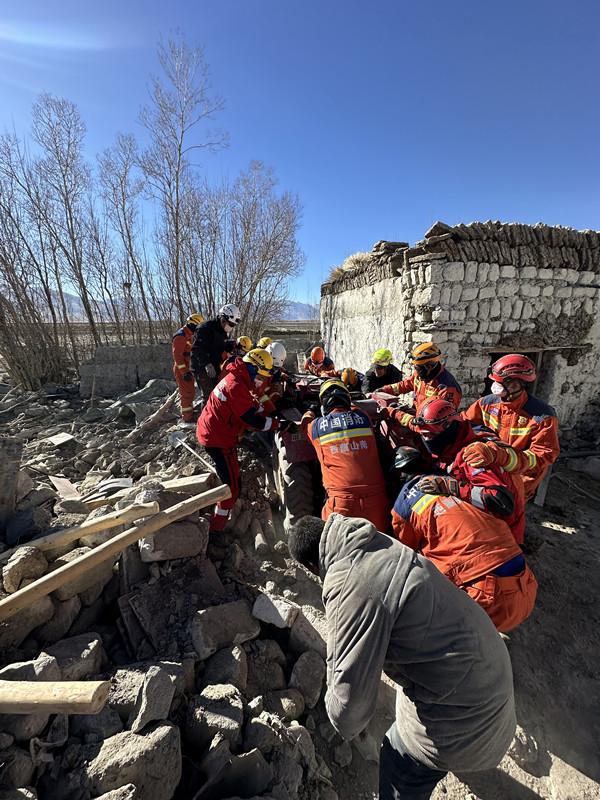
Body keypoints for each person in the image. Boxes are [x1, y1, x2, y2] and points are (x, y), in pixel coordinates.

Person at [288, 513, 516, 800]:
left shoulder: (348, 583)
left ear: (311, 566)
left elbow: (349, 708)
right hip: (493, 672)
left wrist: (332, 712)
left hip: (470, 716)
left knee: (398, 760)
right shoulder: (372, 540)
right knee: (406, 703)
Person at [391, 477, 538, 632]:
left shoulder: (402, 508)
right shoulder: (447, 484)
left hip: (490, 599)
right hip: (527, 586)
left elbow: (404, 553)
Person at [382, 397, 526, 543]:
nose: (426, 439)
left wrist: (453, 487)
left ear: (448, 428)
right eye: (424, 435)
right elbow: (414, 424)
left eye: (429, 435)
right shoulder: (447, 436)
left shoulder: (473, 456)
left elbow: (501, 502)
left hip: (501, 533)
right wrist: (391, 412)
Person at [197, 348, 287, 532]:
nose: (260, 380)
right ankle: (217, 527)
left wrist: (263, 409)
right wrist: (277, 423)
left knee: (233, 479)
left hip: (215, 432)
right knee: (231, 488)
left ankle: (223, 513)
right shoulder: (236, 386)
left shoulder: (238, 377)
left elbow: (249, 403)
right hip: (218, 439)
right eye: (260, 376)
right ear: (253, 368)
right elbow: (252, 420)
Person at [462, 354, 560, 499]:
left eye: (501, 382)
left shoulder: (542, 417)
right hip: (491, 472)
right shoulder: (486, 403)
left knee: (507, 510)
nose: (496, 386)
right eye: (496, 381)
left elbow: (543, 455)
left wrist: (504, 457)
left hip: (520, 481)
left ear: (517, 384)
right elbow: (465, 425)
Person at [301, 379, 390, 531]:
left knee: (336, 544)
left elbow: (305, 424)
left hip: (341, 506)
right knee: (381, 543)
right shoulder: (364, 417)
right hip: (378, 502)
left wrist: (310, 410)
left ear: (324, 404)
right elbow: (355, 409)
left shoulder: (316, 426)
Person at [379, 343, 462, 426]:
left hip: (430, 426)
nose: (416, 371)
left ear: (429, 366)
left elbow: (442, 420)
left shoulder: (447, 388)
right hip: (417, 415)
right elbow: (405, 384)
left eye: (418, 368)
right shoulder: (421, 375)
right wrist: (384, 390)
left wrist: (407, 418)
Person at [191, 304, 240, 407]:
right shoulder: (205, 328)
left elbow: (219, 346)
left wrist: (230, 345)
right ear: (223, 318)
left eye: (233, 325)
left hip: (215, 364)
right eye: (230, 324)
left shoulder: (222, 331)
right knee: (208, 396)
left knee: (216, 393)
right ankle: (204, 416)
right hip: (202, 367)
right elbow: (197, 349)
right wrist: (207, 364)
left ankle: (213, 414)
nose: (231, 327)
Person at [172, 313, 204, 427]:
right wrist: (184, 372)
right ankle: (187, 418)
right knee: (186, 393)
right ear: (193, 325)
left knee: (190, 392)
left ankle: (189, 413)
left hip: (187, 368)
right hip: (182, 370)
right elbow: (178, 357)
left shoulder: (188, 334)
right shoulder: (180, 336)